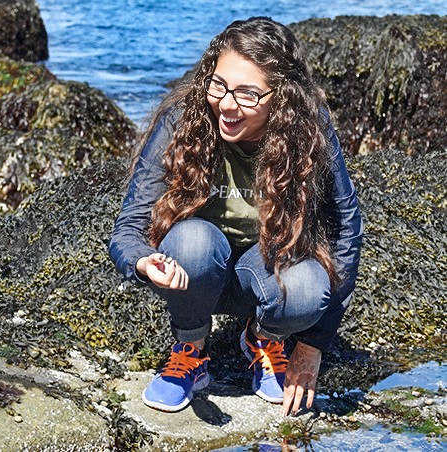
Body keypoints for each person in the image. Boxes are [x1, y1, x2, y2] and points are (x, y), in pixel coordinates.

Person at [109, 16, 363, 415]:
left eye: (248, 93)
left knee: (310, 289)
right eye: (219, 84)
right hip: (194, 270)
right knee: (193, 241)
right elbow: (130, 225)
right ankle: (190, 348)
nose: (227, 104)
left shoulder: (309, 128)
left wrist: (313, 344)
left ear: (281, 97)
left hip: (264, 268)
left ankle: (263, 337)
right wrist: (143, 262)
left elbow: (346, 225)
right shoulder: (181, 120)